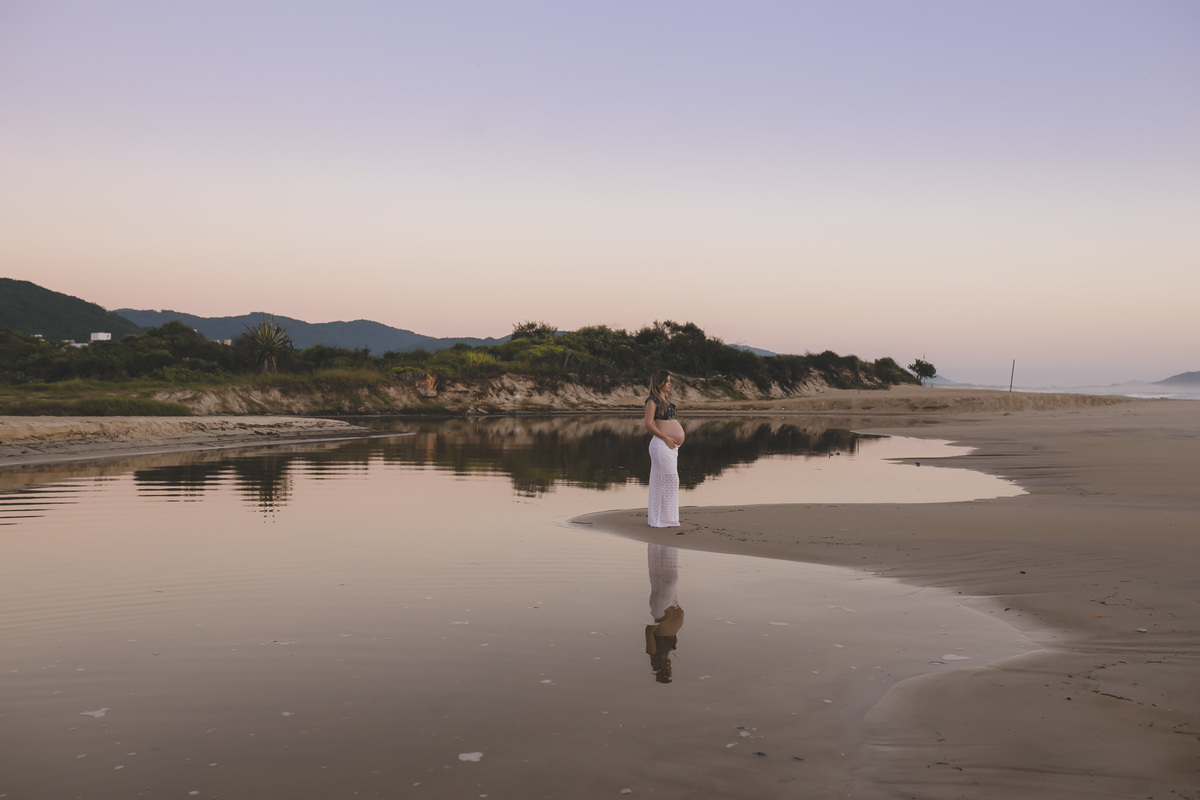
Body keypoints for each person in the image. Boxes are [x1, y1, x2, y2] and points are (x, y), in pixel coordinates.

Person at [643, 369, 683, 528]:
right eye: (667, 381)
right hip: (661, 445)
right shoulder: (653, 401)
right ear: (659, 383)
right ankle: (660, 519)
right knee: (670, 479)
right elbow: (648, 424)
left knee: (667, 481)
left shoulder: (666, 401)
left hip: (672, 447)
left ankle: (668, 519)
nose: (670, 384)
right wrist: (665, 437)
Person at [644, 543, 684, 683]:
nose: (670, 666)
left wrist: (666, 619)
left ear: (660, 669)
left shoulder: (653, 651)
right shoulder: (668, 650)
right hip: (672, 604)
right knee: (664, 575)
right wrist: (677, 611)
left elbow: (649, 630)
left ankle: (664, 544)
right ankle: (663, 543)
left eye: (668, 669)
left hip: (661, 609)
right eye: (670, 669)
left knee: (669, 577)